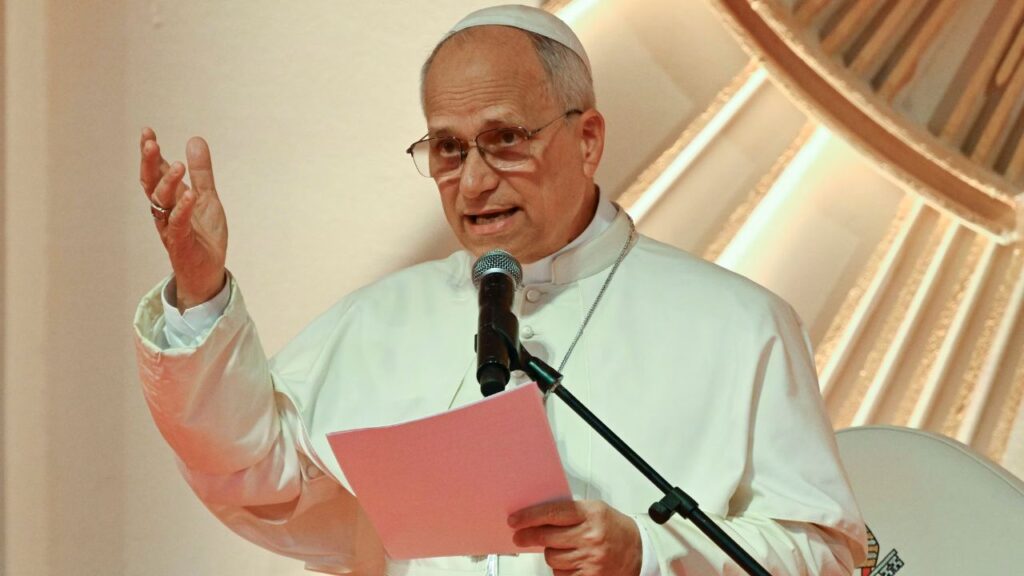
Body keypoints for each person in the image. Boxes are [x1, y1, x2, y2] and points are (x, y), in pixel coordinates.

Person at [134, 5, 866, 575]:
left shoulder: (739, 324)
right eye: (448, 149)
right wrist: (202, 291)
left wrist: (647, 555)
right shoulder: (383, 317)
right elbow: (250, 468)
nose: (475, 180)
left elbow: (830, 555)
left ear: (587, 139)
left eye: (506, 139)